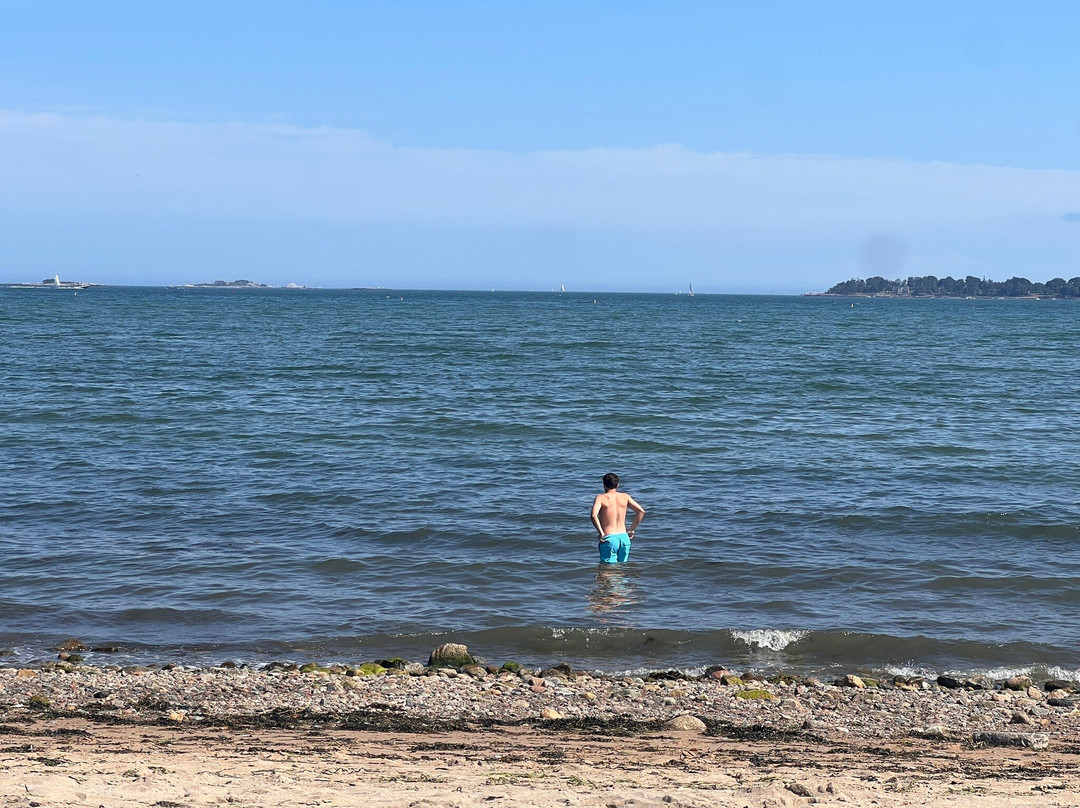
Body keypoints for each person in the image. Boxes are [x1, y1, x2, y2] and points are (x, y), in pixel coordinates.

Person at [590, 473, 645, 564]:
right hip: (624, 538)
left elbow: (593, 515)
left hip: (609, 538)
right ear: (618, 485)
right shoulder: (625, 497)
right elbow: (641, 511)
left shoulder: (601, 498)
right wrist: (631, 529)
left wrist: (601, 533)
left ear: (604, 485)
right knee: (622, 569)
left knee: (608, 571)